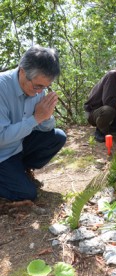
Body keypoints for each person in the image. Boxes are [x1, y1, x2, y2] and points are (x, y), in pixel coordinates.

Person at [0, 45, 67, 201]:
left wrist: (46, 116)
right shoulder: (1, 88)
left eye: (44, 87)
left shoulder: (37, 87)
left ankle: (19, 171)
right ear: (22, 71)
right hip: (2, 153)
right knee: (27, 194)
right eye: (37, 86)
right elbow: (1, 137)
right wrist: (35, 118)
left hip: (18, 146)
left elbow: (44, 128)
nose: (39, 91)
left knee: (58, 137)